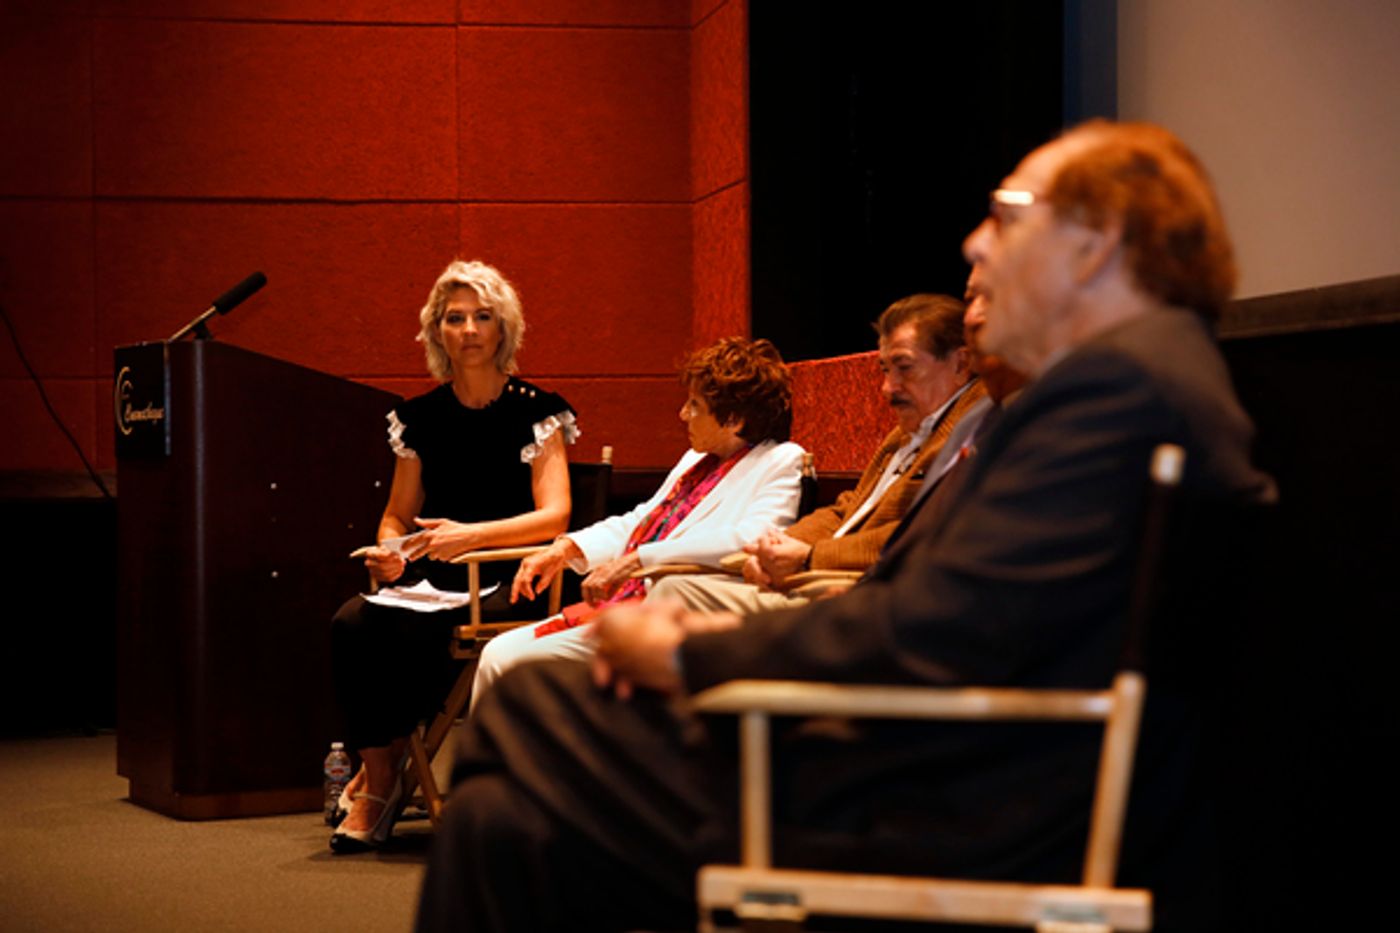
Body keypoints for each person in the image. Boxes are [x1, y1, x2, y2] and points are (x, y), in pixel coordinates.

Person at [415, 121, 1277, 932]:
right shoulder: (1130, 385)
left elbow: (934, 627)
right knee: (501, 805)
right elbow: (958, 613)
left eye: (1007, 219)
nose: (976, 244)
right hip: (944, 756)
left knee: (523, 725)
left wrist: (687, 654)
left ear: (1096, 250)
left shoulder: (1113, 401)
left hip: (951, 797)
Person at [328, 259, 577, 854]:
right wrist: (391, 553)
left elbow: (555, 517)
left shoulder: (536, 411)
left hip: (511, 573)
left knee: (418, 633)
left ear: (503, 330)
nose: (468, 329)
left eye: (482, 317)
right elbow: (398, 512)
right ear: (436, 331)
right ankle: (384, 770)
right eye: (454, 318)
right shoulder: (419, 418)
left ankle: (378, 781)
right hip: (434, 572)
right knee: (351, 624)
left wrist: (472, 536)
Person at [467, 336, 806, 703]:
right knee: (500, 653)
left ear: (735, 420)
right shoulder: (696, 460)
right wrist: (565, 549)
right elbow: (641, 519)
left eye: (695, 405)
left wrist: (639, 560)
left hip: (680, 620)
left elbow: (753, 536)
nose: (683, 414)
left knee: (508, 661)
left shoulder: (781, 460)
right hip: (631, 603)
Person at [649, 294, 985, 613]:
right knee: (670, 591)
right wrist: (778, 547)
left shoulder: (972, 433)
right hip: (814, 579)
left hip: (859, 592)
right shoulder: (905, 434)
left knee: (672, 593)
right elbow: (848, 509)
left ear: (961, 363)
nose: (888, 387)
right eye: (885, 369)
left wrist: (810, 556)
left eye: (904, 368)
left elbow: (921, 533)